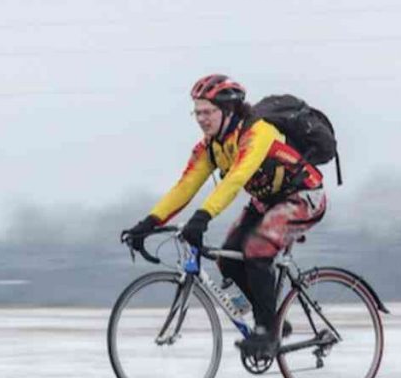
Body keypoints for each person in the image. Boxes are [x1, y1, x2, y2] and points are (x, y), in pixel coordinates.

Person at [121, 74, 327, 359]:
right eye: (197, 112)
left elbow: (235, 179)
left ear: (228, 110)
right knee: (228, 258)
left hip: (304, 196)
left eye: (208, 112)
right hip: (267, 201)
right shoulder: (211, 146)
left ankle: (267, 333)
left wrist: (203, 217)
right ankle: (274, 322)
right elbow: (185, 187)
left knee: (257, 248)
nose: (201, 119)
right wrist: (148, 224)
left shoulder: (258, 132)